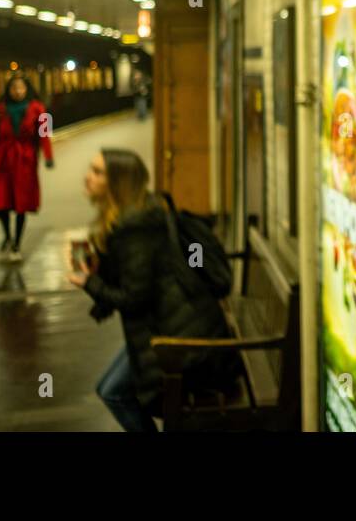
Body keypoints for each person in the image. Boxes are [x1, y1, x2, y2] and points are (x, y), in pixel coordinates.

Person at [67, 149, 240, 432]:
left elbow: (134, 299)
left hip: (183, 342)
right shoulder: (137, 215)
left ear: (118, 182)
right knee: (109, 388)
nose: (88, 177)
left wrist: (90, 283)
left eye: (98, 172)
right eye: (91, 169)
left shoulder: (134, 227)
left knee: (113, 392)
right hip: (173, 328)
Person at [0, 74, 53, 261]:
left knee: (21, 204)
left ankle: (16, 244)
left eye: (21, 88)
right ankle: (7, 236)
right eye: (14, 88)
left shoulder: (40, 109)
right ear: (8, 90)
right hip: (3, 162)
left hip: (25, 161)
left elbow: (45, 135)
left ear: (27, 89)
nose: (17, 91)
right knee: (1, 204)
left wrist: (48, 156)